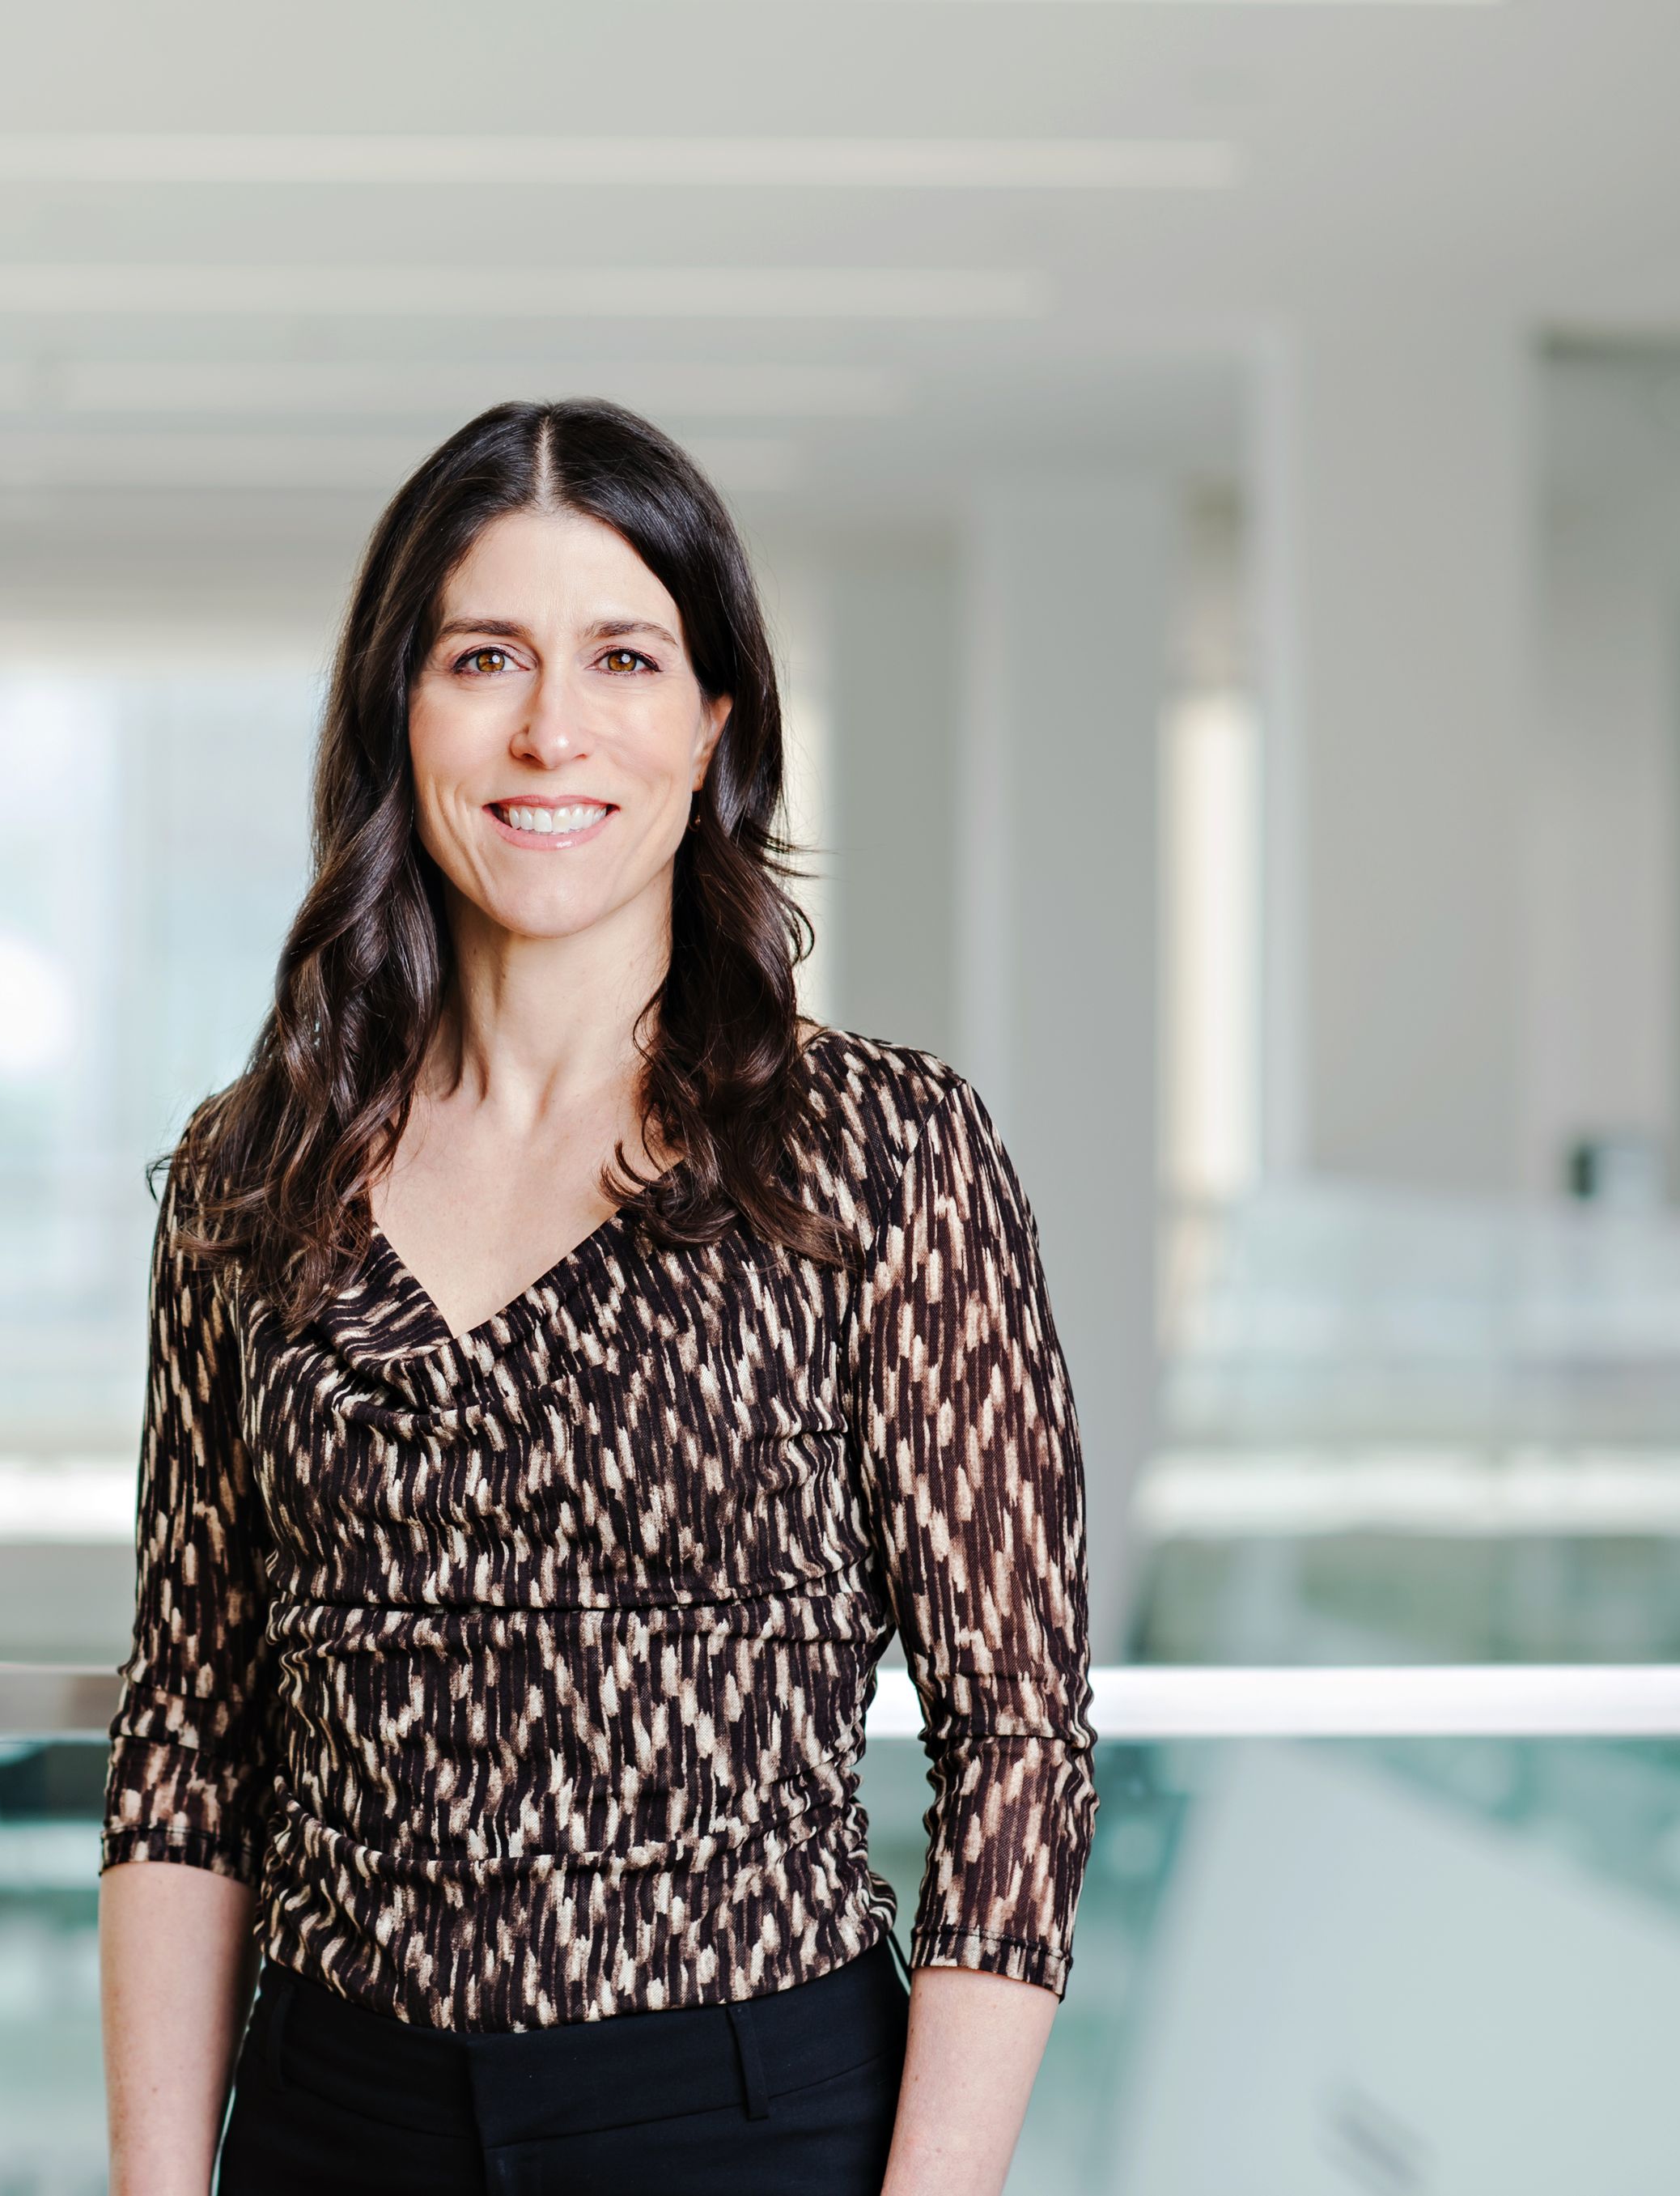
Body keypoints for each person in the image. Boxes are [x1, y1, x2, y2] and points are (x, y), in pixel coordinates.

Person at [97, 399, 1097, 2195]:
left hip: (747, 2111)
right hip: (335, 2114)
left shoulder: (881, 1152)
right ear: (397, 713)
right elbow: (189, 1731)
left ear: (713, 722)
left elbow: (1016, 1739)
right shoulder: (256, 1170)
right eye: (485, 658)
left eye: (623, 656)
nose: (551, 728)